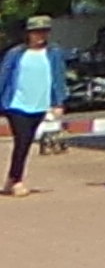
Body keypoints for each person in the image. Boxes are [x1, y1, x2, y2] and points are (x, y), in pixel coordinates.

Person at [3, 17, 55, 195]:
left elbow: (57, 78)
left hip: (40, 105)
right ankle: (17, 181)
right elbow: (3, 77)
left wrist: (59, 102)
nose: (40, 35)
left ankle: (11, 179)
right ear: (28, 34)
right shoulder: (16, 53)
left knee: (26, 143)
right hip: (17, 105)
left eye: (44, 31)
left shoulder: (53, 53)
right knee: (22, 141)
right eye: (36, 32)